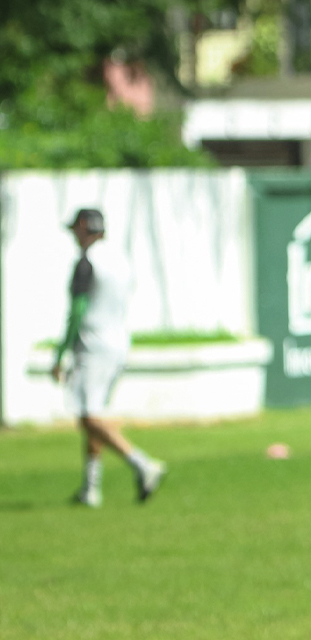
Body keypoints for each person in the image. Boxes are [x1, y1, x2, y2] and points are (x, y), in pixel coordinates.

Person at [54, 208, 167, 508]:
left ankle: (142, 464)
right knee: (94, 413)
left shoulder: (87, 262)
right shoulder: (120, 259)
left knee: (88, 415)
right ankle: (90, 489)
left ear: (83, 227)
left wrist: (60, 354)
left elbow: (77, 310)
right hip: (119, 342)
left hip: (93, 344)